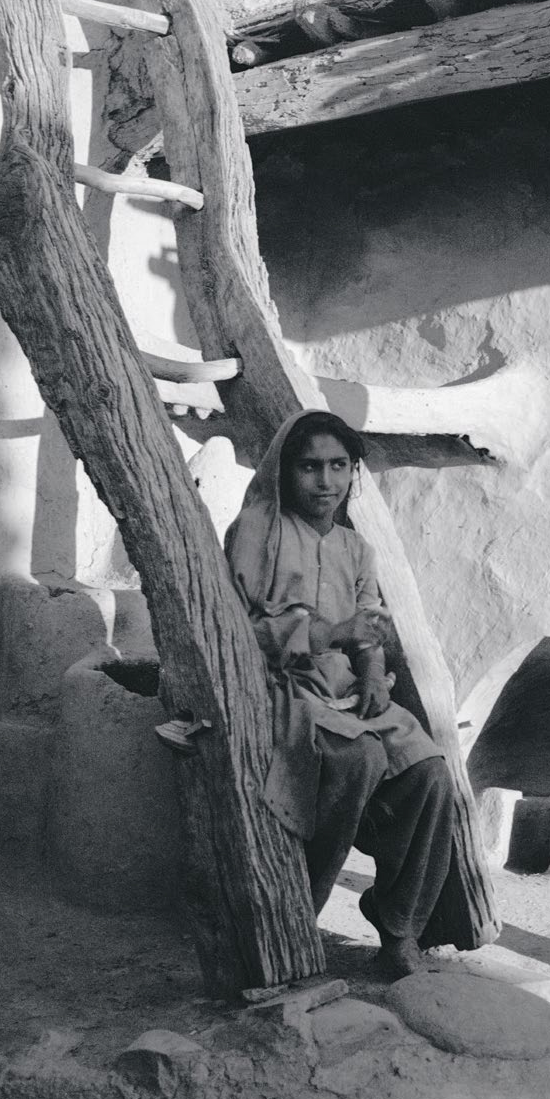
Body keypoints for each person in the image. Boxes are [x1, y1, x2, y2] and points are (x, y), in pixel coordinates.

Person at [224, 410, 455, 976]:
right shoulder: (257, 530)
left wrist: (374, 674)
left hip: (350, 696)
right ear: (284, 471)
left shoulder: (356, 549)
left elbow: (369, 630)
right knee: (359, 759)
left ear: (353, 473)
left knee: (429, 772)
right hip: (283, 690)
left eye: (338, 467)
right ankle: (296, 914)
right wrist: (328, 633)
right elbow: (232, 629)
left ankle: (399, 927)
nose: (325, 481)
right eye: (309, 467)